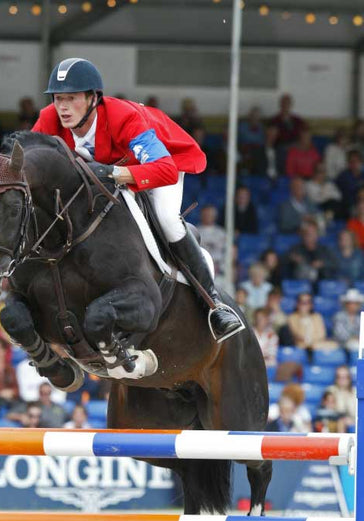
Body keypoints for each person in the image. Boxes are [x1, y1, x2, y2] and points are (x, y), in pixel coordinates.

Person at [32, 57, 242, 341]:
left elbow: (164, 170)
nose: (63, 107)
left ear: (93, 98)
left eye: (71, 98)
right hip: (106, 173)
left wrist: (117, 174)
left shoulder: (123, 118)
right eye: (58, 99)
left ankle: (214, 304)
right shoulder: (49, 119)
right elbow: (27, 163)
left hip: (160, 164)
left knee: (167, 219)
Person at [283, 216, 337, 284]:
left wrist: (322, 264)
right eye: (308, 234)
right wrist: (293, 259)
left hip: (321, 283)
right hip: (301, 284)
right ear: (303, 235)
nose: (311, 236)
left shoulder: (324, 250)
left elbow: (335, 264)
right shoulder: (295, 249)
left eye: (314, 233)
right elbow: (285, 260)